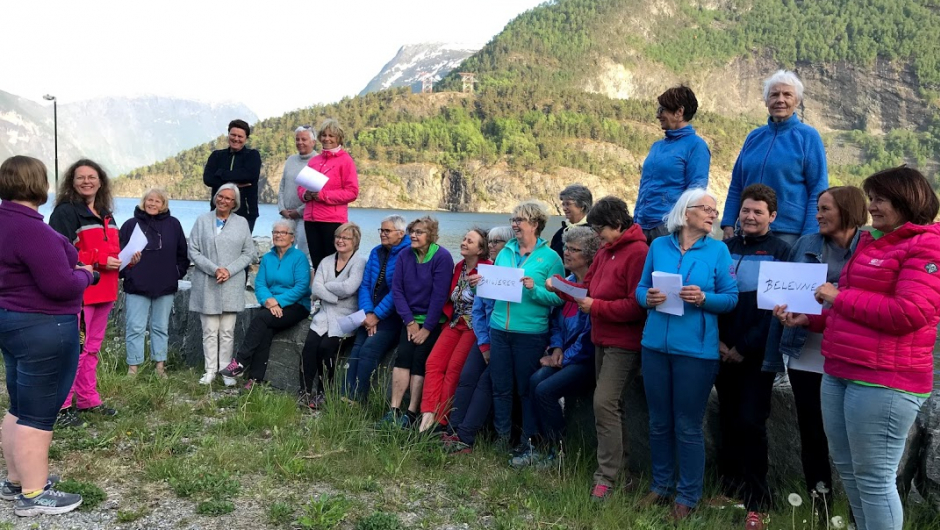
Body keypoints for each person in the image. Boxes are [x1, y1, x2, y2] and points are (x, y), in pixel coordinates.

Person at [775, 166, 940, 530]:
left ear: (906, 201)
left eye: (880, 199)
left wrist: (840, 296)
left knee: (875, 478)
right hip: (841, 370)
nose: (872, 206)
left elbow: (910, 312)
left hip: (885, 380)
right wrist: (811, 320)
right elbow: (846, 309)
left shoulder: (927, 245)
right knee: (850, 472)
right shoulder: (874, 243)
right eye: (872, 198)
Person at [636, 188, 738, 521]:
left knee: (688, 426)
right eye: (707, 209)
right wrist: (647, 298)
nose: (713, 215)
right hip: (654, 347)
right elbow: (639, 290)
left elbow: (731, 298)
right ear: (686, 213)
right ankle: (661, 486)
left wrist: (703, 298)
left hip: (696, 352)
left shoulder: (719, 251)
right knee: (659, 422)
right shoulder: (658, 246)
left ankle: (688, 495)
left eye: (715, 210)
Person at [0, 156, 94, 516]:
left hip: (11, 322)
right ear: (39, 185)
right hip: (44, 327)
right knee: (38, 415)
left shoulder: (5, 221)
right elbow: (59, 285)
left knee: (20, 405)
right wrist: (86, 275)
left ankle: (15, 481)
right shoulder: (31, 230)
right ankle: (34, 494)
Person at [764, 186, 868, 505]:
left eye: (825, 209)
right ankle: (818, 508)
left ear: (848, 210)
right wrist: (784, 310)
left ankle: (858, 511)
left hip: (852, 351)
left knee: (853, 438)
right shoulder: (806, 244)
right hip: (806, 350)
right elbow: (788, 292)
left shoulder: (872, 246)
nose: (817, 215)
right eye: (818, 209)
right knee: (812, 433)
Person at [553, 196, 649, 499]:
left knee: (604, 402)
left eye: (600, 229)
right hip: (601, 339)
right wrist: (560, 286)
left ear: (617, 224)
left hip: (624, 342)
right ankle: (622, 474)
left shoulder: (638, 253)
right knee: (611, 406)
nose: (597, 236)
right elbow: (586, 291)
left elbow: (637, 306)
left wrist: (598, 308)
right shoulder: (607, 250)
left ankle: (606, 476)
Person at [713, 184, 791, 529]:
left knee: (751, 422)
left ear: (772, 217)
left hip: (756, 354)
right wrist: (718, 342)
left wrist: (742, 347)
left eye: (758, 212)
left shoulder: (781, 251)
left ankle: (759, 499)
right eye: (745, 210)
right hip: (719, 349)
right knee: (727, 418)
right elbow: (712, 296)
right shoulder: (722, 248)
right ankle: (729, 488)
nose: (750, 217)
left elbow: (772, 313)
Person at [513, 226, 598, 468]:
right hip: (565, 355)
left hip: (585, 360)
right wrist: (557, 348)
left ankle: (558, 451)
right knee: (533, 382)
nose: (567, 253)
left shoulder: (589, 288)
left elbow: (588, 335)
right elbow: (556, 321)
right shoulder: (568, 282)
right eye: (567, 248)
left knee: (545, 390)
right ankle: (533, 443)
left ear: (590, 255)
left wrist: (563, 358)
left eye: (574, 249)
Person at [50, 159, 128, 425]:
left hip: (105, 291)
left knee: (92, 349)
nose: (86, 181)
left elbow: (111, 252)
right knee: (74, 349)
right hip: (80, 292)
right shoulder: (65, 212)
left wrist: (127, 258)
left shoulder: (106, 213)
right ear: (72, 182)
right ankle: (61, 407)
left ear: (100, 181)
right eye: (80, 177)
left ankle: (87, 400)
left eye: (91, 177)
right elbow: (58, 253)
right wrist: (98, 259)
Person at [488, 201, 565, 451]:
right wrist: (482, 282)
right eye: (513, 220)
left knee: (525, 390)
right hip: (499, 328)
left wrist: (535, 290)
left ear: (535, 224)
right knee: (500, 388)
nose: (514, 224)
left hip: (530, 333)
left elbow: (559, 298)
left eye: (519, 220)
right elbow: (495, 288)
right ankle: (502, 438)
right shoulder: (505, 252)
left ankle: (528, 441)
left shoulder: (551, 257)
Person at [721, 70, 828, 246]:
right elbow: (737, 184)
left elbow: (818, 188)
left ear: (797, 101)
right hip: (747, 230)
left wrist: (810, 234)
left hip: (788, 233)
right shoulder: (754, 137)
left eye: (787, 94)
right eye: (774, 94)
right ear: (766, 101)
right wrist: (728, 223)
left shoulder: (808, 137)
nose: (780, 100)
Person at [444, 226, 513, 454]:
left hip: (505, 340)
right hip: (484, 337)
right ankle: (451, 430)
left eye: (497, 242)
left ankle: (466, 436)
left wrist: (491, 344)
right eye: (490, 242)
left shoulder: (509, 274)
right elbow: (479, 312)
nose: (492, 246)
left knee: (485, 384)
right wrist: (484, 344)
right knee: (466, 377)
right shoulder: (486, 274)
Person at [380, 217, 454, 428]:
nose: (413, 235)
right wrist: (410, 322)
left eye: (419, 232)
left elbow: (440, 297)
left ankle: (411, 413)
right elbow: (398, 290)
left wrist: (427, 328)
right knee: (403, 357)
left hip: (433, 322)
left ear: (430, 236)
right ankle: (394, 410)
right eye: (412, 231)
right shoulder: (405, 255)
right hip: (410, 320)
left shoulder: (442, 257)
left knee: (419, 360)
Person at [219, 220, 311, 388]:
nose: (278, 235)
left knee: (261, 319)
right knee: (266, 329)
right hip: (271, 306)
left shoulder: (299, 258)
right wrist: (268, 301)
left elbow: (302, 287)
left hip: (297, 305)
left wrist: (278, 301)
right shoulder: (268, 258)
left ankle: (240, 361)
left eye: (283, 232)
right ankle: (255, 380)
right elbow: (260, 284)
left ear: (292, 238)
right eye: (275, 232)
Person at [418, 228, 491, 432]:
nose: (464, 242)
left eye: (470, 241)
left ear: (480, 249)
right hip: (454, 322)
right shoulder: (459, 267)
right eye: (464, 238)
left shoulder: (487, 269)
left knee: (453, 370)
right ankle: (427, 414)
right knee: (433, 363)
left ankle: (442, 420)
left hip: (473, 327)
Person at [188, 184, 258, 386]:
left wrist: (228, 270)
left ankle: (226, 371)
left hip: (231, 282)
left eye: (228, 198)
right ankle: (210, 370)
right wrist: (214, 269)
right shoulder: (202, 221)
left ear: (234, 203)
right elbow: (193, 250)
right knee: (209, 330)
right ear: (215, 197)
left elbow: (248, 253)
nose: (223, 200)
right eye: (220, 196)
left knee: (227, 331)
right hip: (207, 282)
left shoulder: (242, 223)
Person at [119, 188, 189, 378]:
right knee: (135, 327)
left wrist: (175, 274)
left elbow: (183, 255)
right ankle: (133, 368)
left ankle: (160, 367)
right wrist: (128, 272)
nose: (152, 204)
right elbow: (118, 256)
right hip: (137, 286)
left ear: (164, 204)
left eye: (157, 201)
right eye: (149, 200)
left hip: (165, 286)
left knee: (160, 327)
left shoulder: (174, 225)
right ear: (143, 202)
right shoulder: (129, 225)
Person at [343, 216, 411, 402]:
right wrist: (367, 312)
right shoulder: (376, 252)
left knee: (369, 350)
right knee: (356, 349)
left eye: (387, 231)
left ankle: (358, 399)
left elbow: (398, 290)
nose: (382, 234)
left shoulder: (408, 254)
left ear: (400, 233)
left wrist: (378, 315)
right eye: (381, 230)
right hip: (369, 313)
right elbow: (365, 285)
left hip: (392, 317)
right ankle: (344, 396)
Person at [300, 223, 366, 408]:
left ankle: (323, 392)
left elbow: (350, 287)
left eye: (346, 238)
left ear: (355, 241)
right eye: (338, 237)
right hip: (325, 313)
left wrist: (326, 288)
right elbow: (316, 288)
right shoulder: (326, 261)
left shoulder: (360, 262)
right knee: (310, 347)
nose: (341, 240)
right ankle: (304, 391)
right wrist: (335, 295)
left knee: (327, 348)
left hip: (347, 317)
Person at [634, 86, 711, 243]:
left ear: (679, 112)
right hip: (642, 226)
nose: (658, 115)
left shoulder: (696, 146)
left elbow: (695, 192)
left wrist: (679, 226)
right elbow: (644, 186)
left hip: (669, 228)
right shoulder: (657, 146)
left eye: (662, 109)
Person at [299, 119, 360, 271]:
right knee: (317, 263)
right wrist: (305, 195)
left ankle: (332, 294)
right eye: (324, 135)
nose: (327, 139)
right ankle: (320, 294)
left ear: (339, 138)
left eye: (331, 135)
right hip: (311, 220)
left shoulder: (346, 161)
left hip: (332, 221)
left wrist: (323, 195)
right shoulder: (314, 161)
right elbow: (301, 187)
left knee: (333, 264)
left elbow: (352, 192)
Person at [203, 119, 262, 233]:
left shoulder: (252, 156)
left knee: (240, 248)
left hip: (246, 213)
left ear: (246, 138)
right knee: (217, 245)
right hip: (218, 210)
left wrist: (221, 173)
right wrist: (236, 182)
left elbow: (250, 175)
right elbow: (208, 179)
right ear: (228, 135)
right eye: (233, 135)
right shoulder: (217, 155)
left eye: (240, 136)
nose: (236, 139)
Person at [278, 125, 318, 257]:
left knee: (302, 254)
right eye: (297, 139)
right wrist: (281, 208)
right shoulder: (290, 160)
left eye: (304, 139)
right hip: (286, 216)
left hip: (304, 218)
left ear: (313, 142)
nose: (300, 142)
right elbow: (282, 185)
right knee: (282, 252)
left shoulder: (318, 161)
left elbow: (315, 193)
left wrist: (299, 211)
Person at [549, 184, 592, 266]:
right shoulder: (560, 233)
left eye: (568, 204)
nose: (564, 208)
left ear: (582, 206)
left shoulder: (592, 232)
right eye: (563, 204)